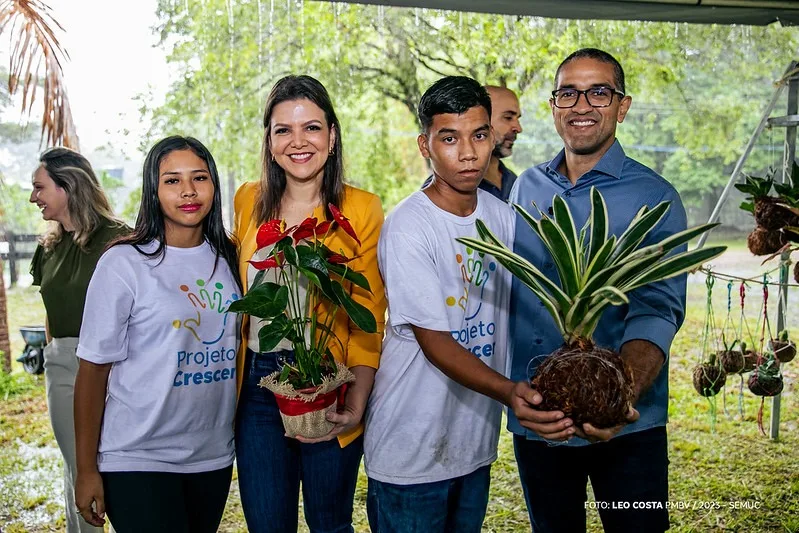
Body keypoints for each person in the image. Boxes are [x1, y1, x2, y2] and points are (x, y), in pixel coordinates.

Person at [508, 48, 687, 533]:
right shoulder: (526, 188)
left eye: (598, 91)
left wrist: (621, 397)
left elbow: (658, 309)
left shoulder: (654, 197)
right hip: (540, 420)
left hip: (629, 424)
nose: (582, 104)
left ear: (621, 107)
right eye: (568, 92)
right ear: (553, 106)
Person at [364, 76, 536, 533]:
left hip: (471, 444)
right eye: (449, 138)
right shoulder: (409, 227)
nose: (467, 153)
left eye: (479, 135)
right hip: (411, 449)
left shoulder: (503, 219)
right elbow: (436, 343)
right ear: (426, 144)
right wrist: (510, 392)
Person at [233, 74, 386, 532]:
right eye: (283, 130)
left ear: (333, 135)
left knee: (330, 522)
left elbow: (368, 313)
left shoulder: (361, 208)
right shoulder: (246, 201)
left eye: (312, 128)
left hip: (328, 380)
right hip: (258, 385)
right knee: (267, 523)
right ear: (269, 140)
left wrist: (356, 398)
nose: (298, 142)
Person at [73, 136, 240, 533]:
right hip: (137, 456)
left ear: (214, 187)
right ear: (153, 189)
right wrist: (85, 469)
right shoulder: (123, 264)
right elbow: (92, 373)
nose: (188, 191)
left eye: (199, 177)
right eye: (172, 180)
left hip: (211, 456)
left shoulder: (229, 257)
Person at [28, 147, 128, 533]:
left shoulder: (118, 239)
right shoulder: (48, 246)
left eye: (40, 187)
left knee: (114, 467)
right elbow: (51, 313)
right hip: (64, 365)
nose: (34, 197)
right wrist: (57, 356)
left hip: (115, 364)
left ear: (68, 186)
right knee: (77, 466)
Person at [421, 84, 523, 201]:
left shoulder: (514, 181)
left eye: (517, 119)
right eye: (508, 117)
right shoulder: (442, 190)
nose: (518, 128)